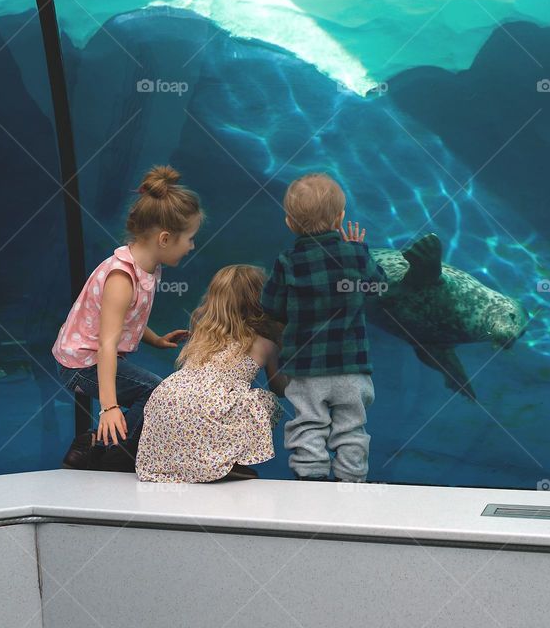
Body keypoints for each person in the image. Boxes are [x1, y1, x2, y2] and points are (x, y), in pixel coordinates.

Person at [53, 165, 202, 472]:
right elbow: (106, 344)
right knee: (154, 391)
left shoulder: (147, 267)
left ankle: (96, 447)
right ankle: (106, 450)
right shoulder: (122, 277)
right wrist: (108, 407)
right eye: (189, 238)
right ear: (164, 238)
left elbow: (126, 319)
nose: (192, 246)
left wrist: (155, 339)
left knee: (151, 390)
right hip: (81, 364)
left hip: (91, 359)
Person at [261, 173, 387, 482]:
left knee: (308, 424)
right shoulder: (356, 255)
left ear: (289, 222)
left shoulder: (287, 261)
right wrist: (362, 252)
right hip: (351, 368)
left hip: (306, 369)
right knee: (351, 427)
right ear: (341, 217)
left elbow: (272, 306)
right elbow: (379, 287)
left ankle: (310, 480)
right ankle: (350, 483)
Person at [136, 265, 288, 483]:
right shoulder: (265, 344)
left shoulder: (202, 335)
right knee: (268, 402)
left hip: (167, 397)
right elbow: (279, 388)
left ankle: (183, 465)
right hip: (209, 408)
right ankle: (226, 462)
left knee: (201, 413)